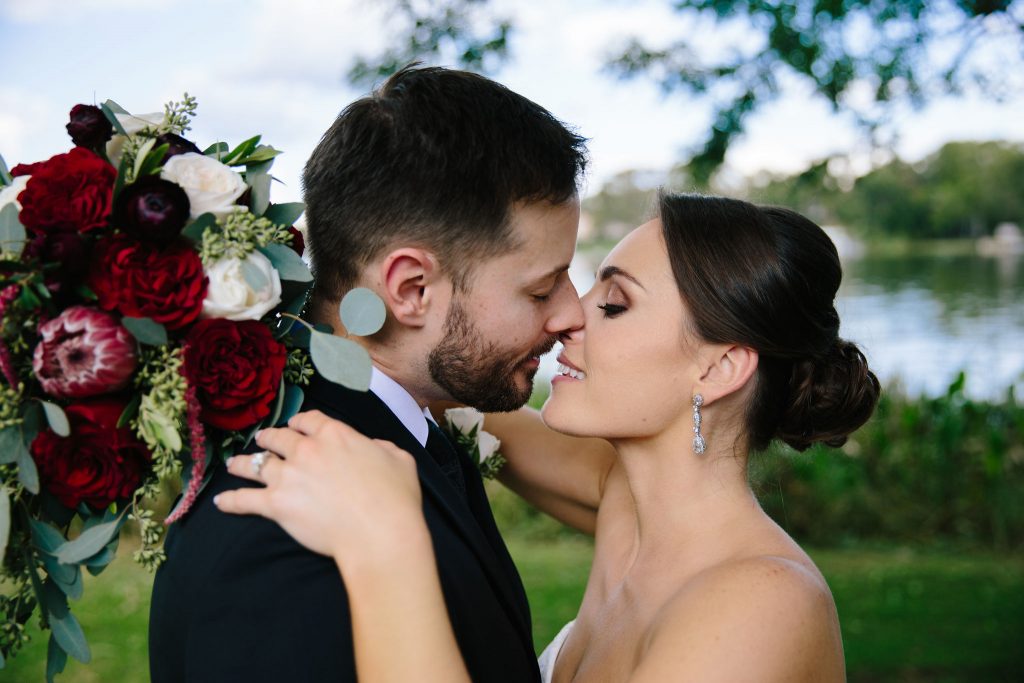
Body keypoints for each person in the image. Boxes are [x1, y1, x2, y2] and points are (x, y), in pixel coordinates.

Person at [216, 192, 881, 682]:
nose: (567, 317)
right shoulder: (625, 498)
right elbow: (438, 379)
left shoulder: (761, 605)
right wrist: (235, 288)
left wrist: (387, 547)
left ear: (718, 366)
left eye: (614, 304)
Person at [148, 65, 588, 683]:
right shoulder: (281, 525)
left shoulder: (411, 435)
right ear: (410, 289)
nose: (573, 314)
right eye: (542, 290)